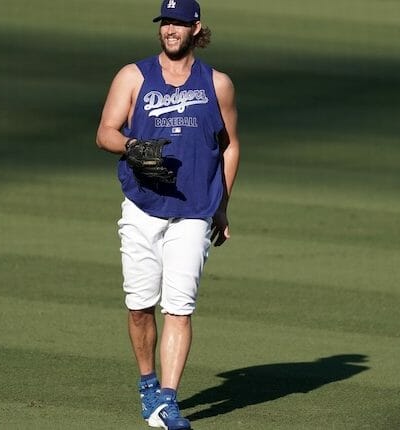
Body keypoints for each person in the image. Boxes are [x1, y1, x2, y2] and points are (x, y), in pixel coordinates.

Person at [95, 0, 240, 428]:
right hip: (142, 207)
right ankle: (147, 385)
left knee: (179, 306)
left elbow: (230, 144)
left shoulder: (218, 84)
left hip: (195, 211)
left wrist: (222, 206)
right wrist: (131, 146)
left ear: (196, 28)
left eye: (179, 23)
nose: (170, 30)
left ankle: (168, 401)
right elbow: (105, 132)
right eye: (165, 23)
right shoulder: (134, 76)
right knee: (140, 306)